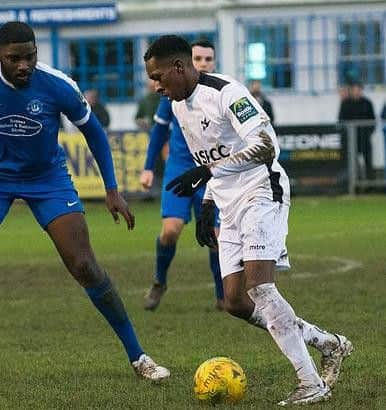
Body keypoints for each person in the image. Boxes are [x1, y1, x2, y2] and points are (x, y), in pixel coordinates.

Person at [0, 22, 169, 386]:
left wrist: (111, 189)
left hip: (47, 178)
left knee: (84, 264)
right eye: (14, 58)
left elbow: (93, 131)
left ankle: (139, 357)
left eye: (30, 57)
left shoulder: (57, 85)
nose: (24, 65)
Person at [144, 35, 353, 406]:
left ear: (179, 67)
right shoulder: (179, 107)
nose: (156, 86)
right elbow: (212, 158)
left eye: (159, 77)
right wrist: (208, 202)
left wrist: (206, 172)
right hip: (228, 203)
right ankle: (327, 343)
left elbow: (264, 146)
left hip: (262, 190)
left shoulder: (227, 93)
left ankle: (311, 383)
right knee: (236, 302)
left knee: (260, 287)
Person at [140, 39, 224, 311]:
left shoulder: (217, 94)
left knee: (215, 236)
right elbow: (159, 131)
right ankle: (159, 281)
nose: (203, 63)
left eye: (208, 59)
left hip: (209, 169)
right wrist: (149, 168)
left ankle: (223, 296)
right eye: (198, 59)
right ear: (187, 62)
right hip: (179, 167)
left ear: (213, 62)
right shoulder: (172, 91)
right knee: (171, 230)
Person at [338, 80, 376, 180]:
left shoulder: (367, 103)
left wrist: (368, 133)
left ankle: (370, 184)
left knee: (368, 162)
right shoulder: (346, 103)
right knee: (353, 163)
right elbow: (341, 121)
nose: (356, 92)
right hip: (351, 140)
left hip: (365, 138)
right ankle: (355, 184)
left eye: (358, 89)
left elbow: (372, 120)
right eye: (354, 89)